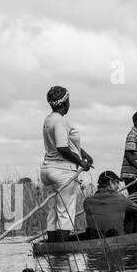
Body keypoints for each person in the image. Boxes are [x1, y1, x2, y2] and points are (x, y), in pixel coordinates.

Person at [40, 86, 93, 242]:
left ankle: (52, 249)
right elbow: (62, 147)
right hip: (62, 171)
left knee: (52, 211)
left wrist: (84, 155)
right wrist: (81, 163)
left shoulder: (48, 120)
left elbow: (67, 143)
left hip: (47, 170)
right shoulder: (61, 121)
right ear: (65, 102)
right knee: (66, 213)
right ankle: (62, 252)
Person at [82, 171, 137, 238]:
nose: (118, 187)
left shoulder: (87, 201)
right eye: (117, 183)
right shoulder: (121, 199)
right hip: (117, 239)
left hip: (94, 238)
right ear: (111, 183)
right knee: (131, 213)